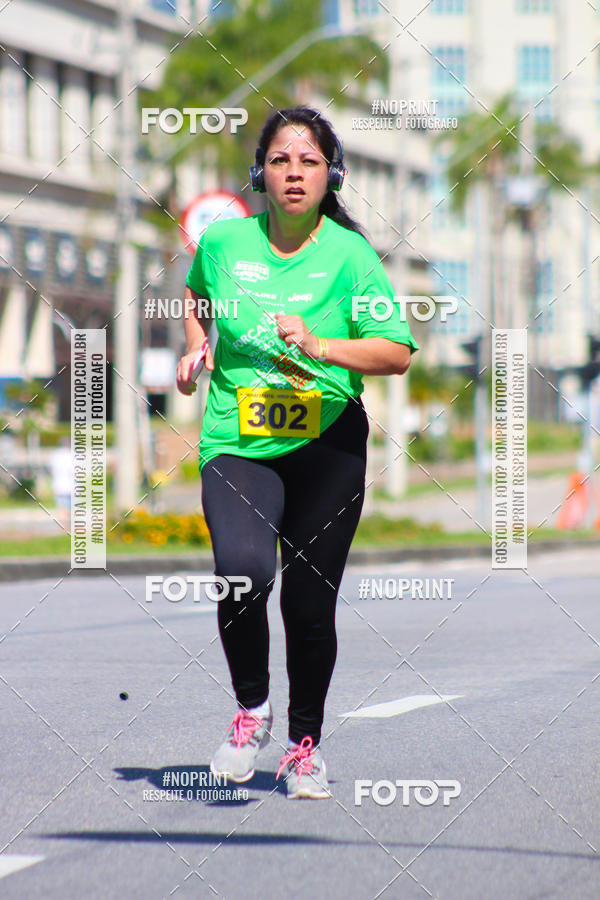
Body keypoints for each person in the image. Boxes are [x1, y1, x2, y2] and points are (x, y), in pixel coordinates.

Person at [176, 105, 418, 800]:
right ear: (260, 172)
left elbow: (396, 352)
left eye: (309, 161)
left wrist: (319, 345)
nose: (294, 172)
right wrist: (197, 348)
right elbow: (196, 295)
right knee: (242, 573)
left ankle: (304, 746)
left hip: (327, 445)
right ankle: (252, 710)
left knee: (309, 606)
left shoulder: (350, 257)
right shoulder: (225, 243)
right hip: (239, 442)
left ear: (330, 175)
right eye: (280, 159)